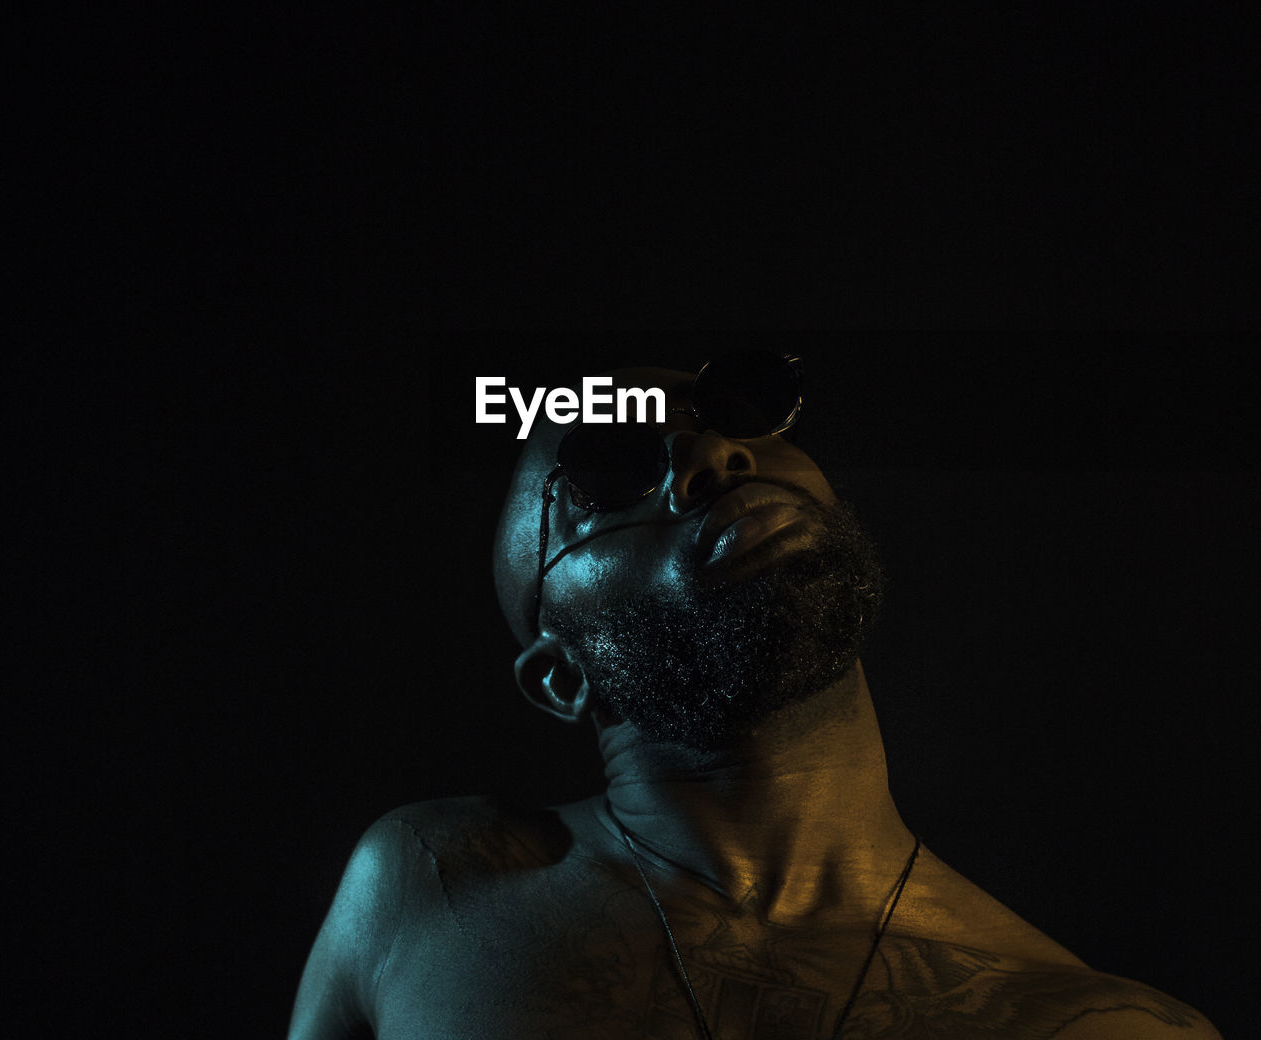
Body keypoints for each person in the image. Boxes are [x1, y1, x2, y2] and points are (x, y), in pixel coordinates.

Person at [288, 353, 1220, 1038]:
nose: (716, 458)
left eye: (737, 421)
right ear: (562, 674)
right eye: (610, 477)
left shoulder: (1103, 1025)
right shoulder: (431, 891)